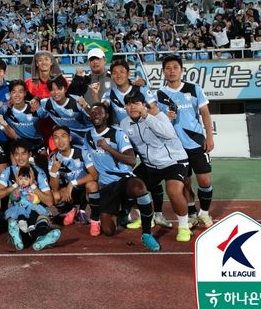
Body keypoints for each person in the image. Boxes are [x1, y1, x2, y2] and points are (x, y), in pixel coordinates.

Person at [85, 103, 160, 251]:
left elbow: (131, 160)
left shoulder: (117, 133)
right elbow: (89, 163)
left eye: (99, 112)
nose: (96, 115)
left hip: (123, 179)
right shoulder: (87, 136)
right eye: (93, 112)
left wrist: (108, 149)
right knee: (108, 231)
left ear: (106, 116)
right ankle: (123, 210)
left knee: (139, 187)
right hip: (106, 186)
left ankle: (147, 234)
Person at [120, 91, 192, 243]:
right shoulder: (124, 124)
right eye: (128, 104)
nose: (132, 107)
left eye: (136, 103)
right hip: (150, 165)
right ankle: (146, 218)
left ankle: (184, 227)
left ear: (143, 105)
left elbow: (169, 134)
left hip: (174, 161)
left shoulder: (158, 117)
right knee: (129, 187)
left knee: (173, 191)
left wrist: (147, 116)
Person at [157, 55, 215, 229]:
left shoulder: (193, 88)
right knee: (185, 183)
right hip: (175, 148)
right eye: (168, 68)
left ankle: (204, 212)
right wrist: (165, 117)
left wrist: (209, 137)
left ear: (182, 70)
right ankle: (191, 213)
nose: (172, 71)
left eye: (175, 67)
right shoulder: (159, 95)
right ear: (163, 72)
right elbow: (156, 120)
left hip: (196, 143)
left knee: (204, 180)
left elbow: (205, 113)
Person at [0, 140, 61, 250]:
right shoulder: (8, 171)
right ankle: (33, 238)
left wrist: (33, 185)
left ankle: (39, 239)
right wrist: (15, 185)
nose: (20, 158)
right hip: (18, 210)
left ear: (30, 154)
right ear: (13, 155)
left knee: (40, 219)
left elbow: (49, 201)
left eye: (23, 153)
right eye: (16, 154)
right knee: (19, 224)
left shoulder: (38, 172)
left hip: (34, 209)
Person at [48, 125, 100, 235]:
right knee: (55, 195)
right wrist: (53, 172)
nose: (60, 140)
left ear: (70, 138)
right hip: (70, 194)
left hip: (85, 190)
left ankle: (95, 220)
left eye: (63, 136)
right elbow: (54, 188)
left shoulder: (82, 152)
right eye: (56, 137)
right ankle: (70, 210)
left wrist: (72, 183)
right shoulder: (54, 158)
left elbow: (94, 175)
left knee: (92, 185)